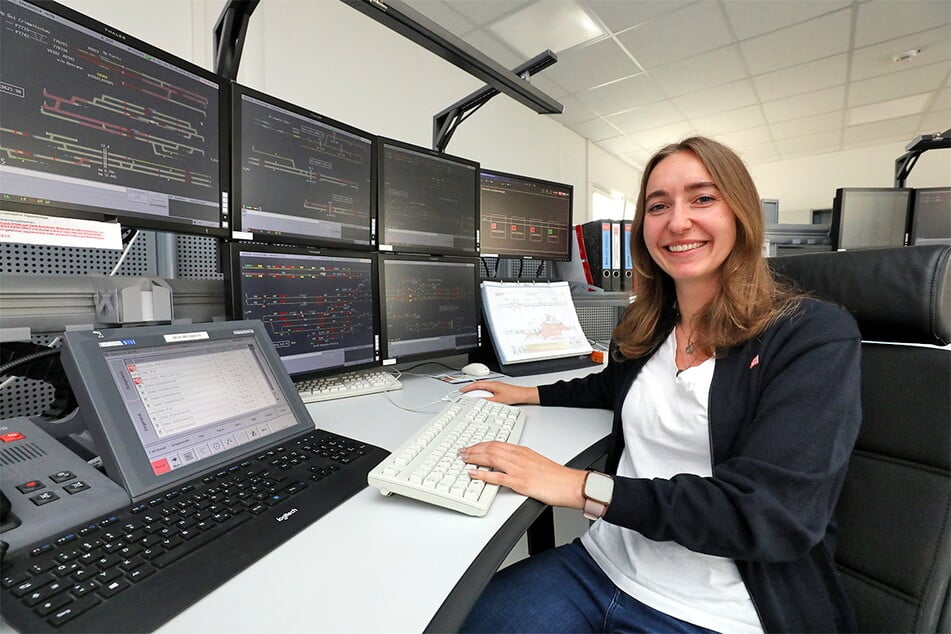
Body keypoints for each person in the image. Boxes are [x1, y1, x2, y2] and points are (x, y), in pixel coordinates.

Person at [458, 136, 862, 633]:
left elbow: (775, 515)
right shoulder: (648, 329)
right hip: (599, 567)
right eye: (658, 205)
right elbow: (611, 387)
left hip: (716, 610)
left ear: (740, 214)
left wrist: (583, 487)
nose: (677, 221)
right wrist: (527, 392)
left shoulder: (809, 333)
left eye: (703, 198)